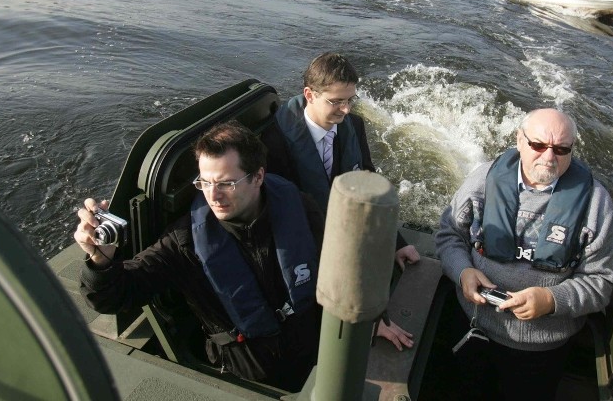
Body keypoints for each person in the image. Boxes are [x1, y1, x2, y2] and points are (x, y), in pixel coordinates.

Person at [75, 121, 325, 391]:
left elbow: (337, 267)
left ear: (258, 177)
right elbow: (116, 295)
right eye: (204, 182)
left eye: (226, 183)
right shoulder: (184, 242)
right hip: (250, 377)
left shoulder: (298, 207)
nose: (213, 196)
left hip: (313, 353)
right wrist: (100, 260)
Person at [434, 108, 613, 400]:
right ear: (519, 140)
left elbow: (601, 282)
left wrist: (551, 300)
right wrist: (462, 271)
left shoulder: (596, 205)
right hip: (472, 326)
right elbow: (449, 235)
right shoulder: (482, 180)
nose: (549, 157)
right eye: (538, 145)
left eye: (561, 149)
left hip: (540, 352)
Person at [261, 52, 420, 350]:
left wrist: (395, 242)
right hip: (303, 243)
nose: (346, 110)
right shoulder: (275, 142)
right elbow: (283, 220)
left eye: (351, 100)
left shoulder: (354, 127)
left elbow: (368, 187)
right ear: (309, 94)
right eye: (336, 101)